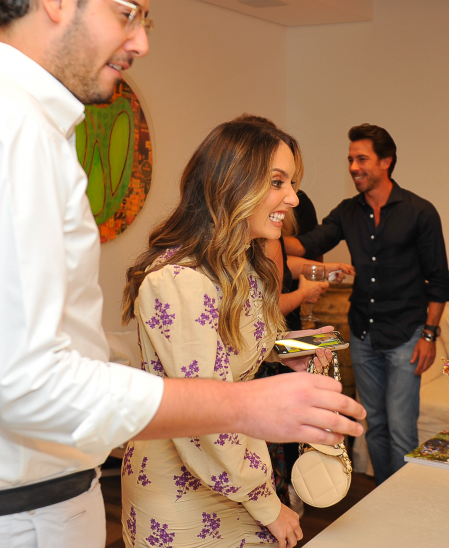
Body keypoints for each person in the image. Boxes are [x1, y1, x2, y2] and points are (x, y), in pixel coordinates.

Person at [0, 0, 363, 548]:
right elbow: (29, 385)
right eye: (128, 14)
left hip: (26, 507)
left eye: (144, 20)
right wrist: (243, 405)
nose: (141, 42)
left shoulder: (18, 129)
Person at [121, 117, 342, 548]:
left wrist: (289, 349)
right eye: (277, 182)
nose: (293, 198)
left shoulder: (244, 267)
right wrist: (267, 504)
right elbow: (205, 415)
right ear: (233, 184)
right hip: (184, 493)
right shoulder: (179, 282)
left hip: (234, 471)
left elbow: (233, 346)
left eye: (291, 183)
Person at [284, 124, 449, 484]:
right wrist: (261, 229)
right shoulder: (348, 211)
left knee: (402, 430)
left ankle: (403, 505)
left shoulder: (420, 212)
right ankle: (382, 498)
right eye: (350, 159)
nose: (353, 167)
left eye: (362, 159)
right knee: (373, 425)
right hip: (363, 334)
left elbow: (439, 283)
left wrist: (429, 336)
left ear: (386, 162)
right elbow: (310, 243)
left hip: (406, 336)